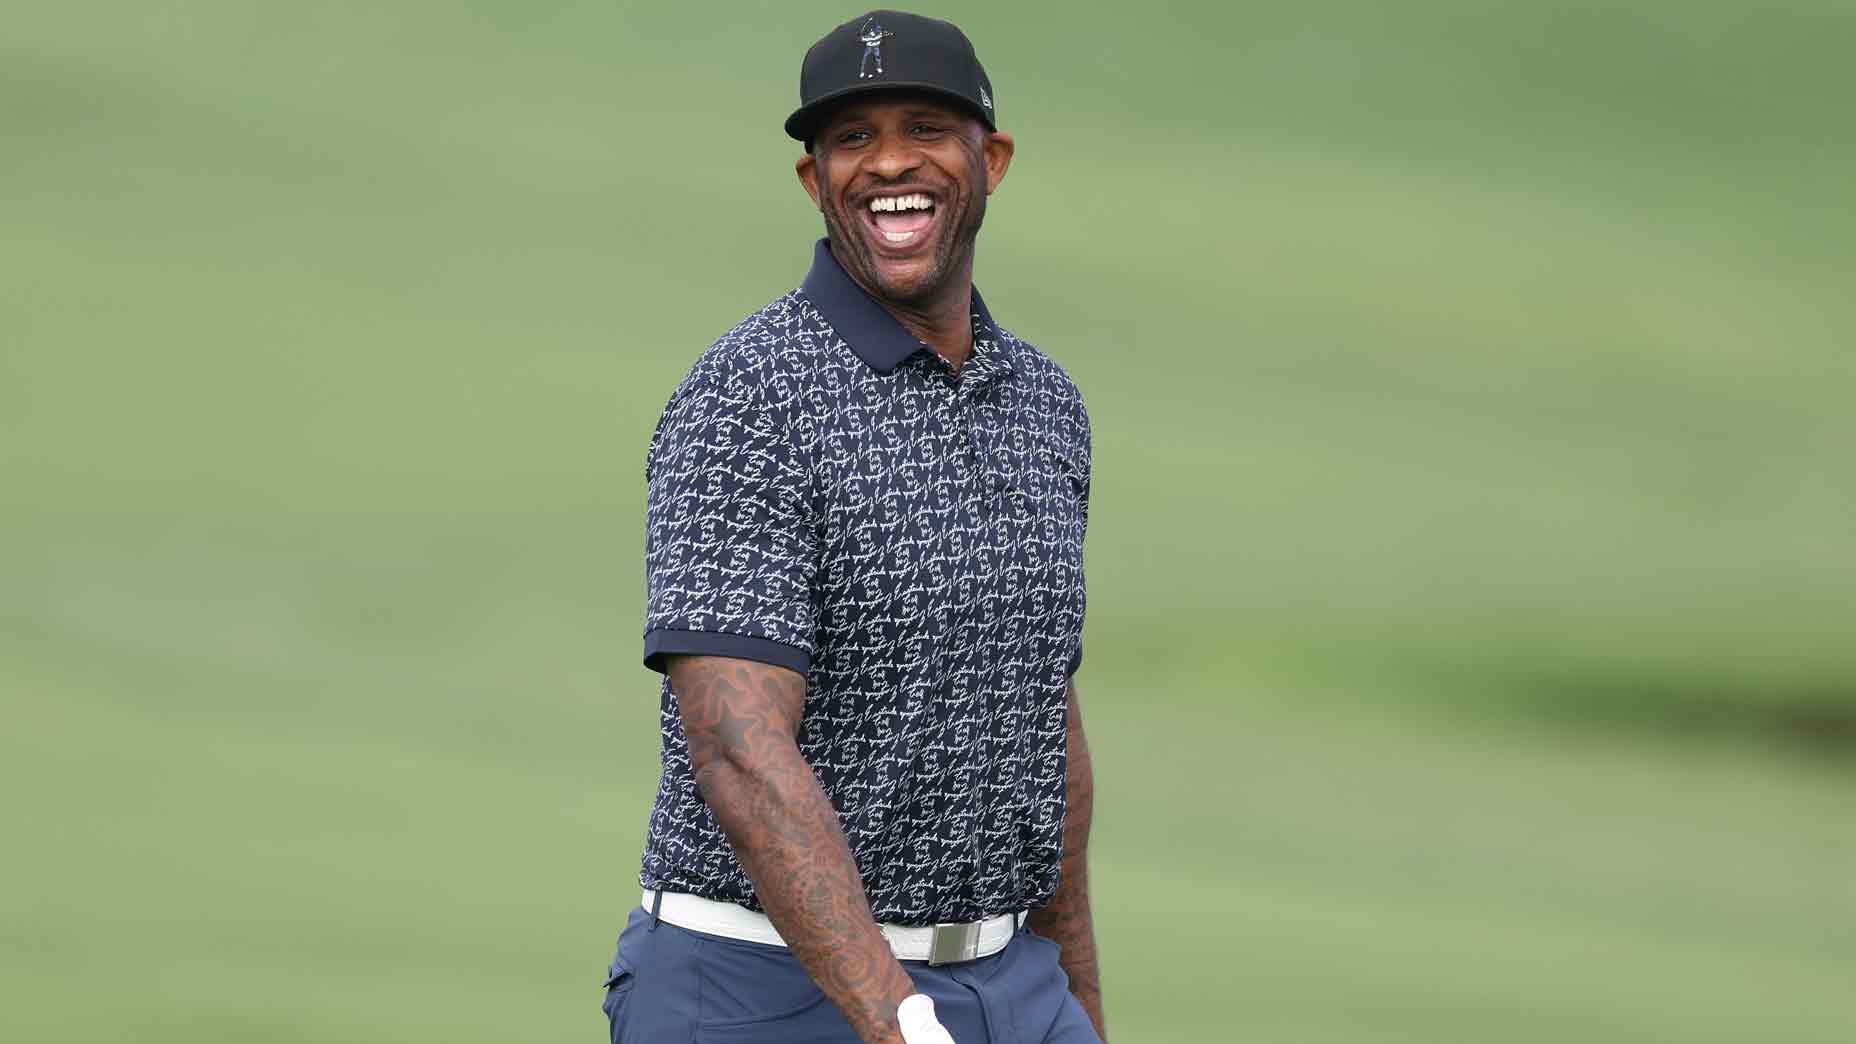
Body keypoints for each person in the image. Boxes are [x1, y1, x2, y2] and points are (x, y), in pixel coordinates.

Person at [601, 10, 1102, 1043]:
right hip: (758, 990)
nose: (889, 164)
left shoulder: (1042, 403)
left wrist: (1075, 1006)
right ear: (811, 178)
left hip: (1008, 984)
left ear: (989, 158)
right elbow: (737, 748)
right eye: (851, 139)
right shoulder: (750, 396)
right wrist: (897, 1021)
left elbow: (1040, 721)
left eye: (923, 126)